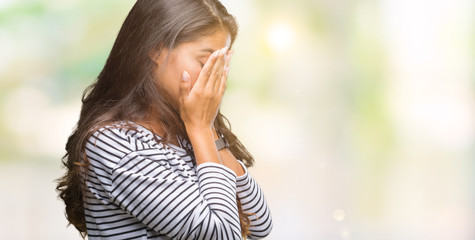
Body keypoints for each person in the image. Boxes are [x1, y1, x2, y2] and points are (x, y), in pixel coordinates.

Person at [55, 0, 273, 239]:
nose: (215, 77)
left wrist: (207, 129)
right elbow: (222, 235)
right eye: (205, 62)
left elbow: (258, 226)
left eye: (221, 66)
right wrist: (200, 128)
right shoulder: (114, 143)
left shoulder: (188, 132)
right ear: (156, 51)